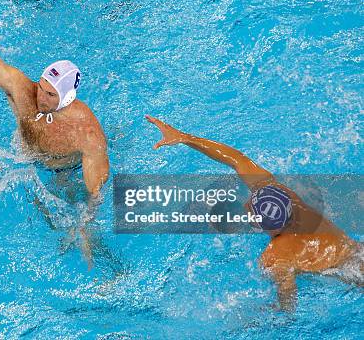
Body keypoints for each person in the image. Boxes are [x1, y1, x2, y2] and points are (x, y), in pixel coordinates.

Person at [145, 114, 362, 311]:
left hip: (348, 275)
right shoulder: (290, 200)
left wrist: (275, 310)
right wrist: (184, 137)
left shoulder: (275, 256)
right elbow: (236, 159)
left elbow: (289, 304)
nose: (247, 205)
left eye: (250, 209)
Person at [0, 0, 109, 266]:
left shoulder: (87, 135)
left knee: (76, 237)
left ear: (68, 98)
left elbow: (95, 194)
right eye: (41, 87)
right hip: (24, 160)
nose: (40, 97)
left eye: (51, 95)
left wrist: (86, 225)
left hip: (66, 172)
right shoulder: (21, 89)